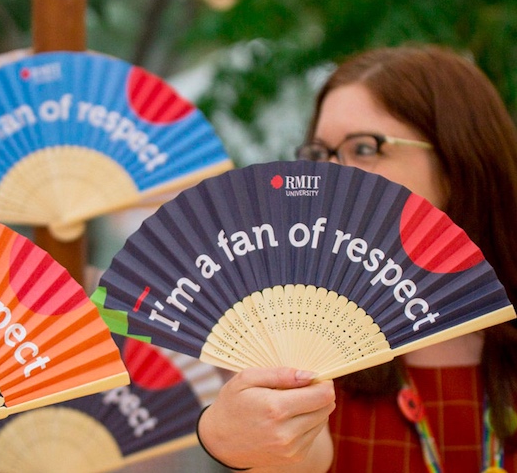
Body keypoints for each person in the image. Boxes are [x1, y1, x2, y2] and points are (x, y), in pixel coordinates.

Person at [196, 45, 517, 472]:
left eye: (364, 149)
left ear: (457, 160)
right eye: (319, 153)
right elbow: (295, 456)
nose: (330, 175)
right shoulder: (299, 339)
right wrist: (236, 438)